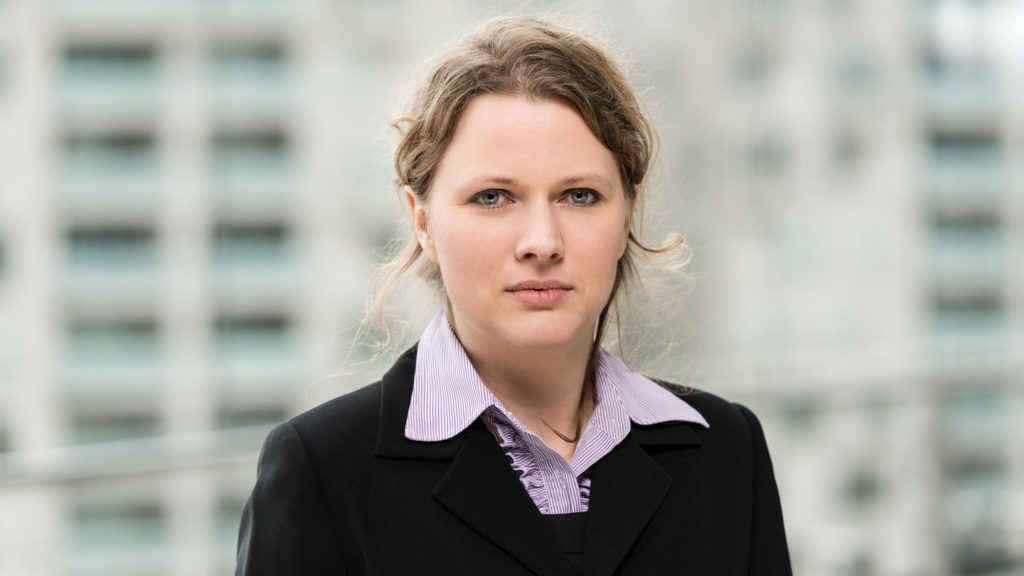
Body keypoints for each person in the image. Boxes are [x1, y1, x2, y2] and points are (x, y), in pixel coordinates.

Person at [236, 15, 791, 576]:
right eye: (493, 197)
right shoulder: (322, 470)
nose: (542, 242)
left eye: (580, 195)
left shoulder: (726, 451)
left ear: (628, 214)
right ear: (422, 221)